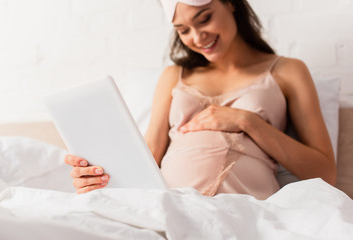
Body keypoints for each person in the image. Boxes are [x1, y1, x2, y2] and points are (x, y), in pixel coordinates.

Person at [64, 0, 336, 199]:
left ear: (230, 4)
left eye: (204, 19)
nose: (197, 37)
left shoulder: (288, 70)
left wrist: (248, 121)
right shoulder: (173, 76)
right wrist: (97, 176)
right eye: (183, 30)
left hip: (247, 205)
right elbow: (149, 156)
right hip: (171, 204)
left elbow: (325, 172)